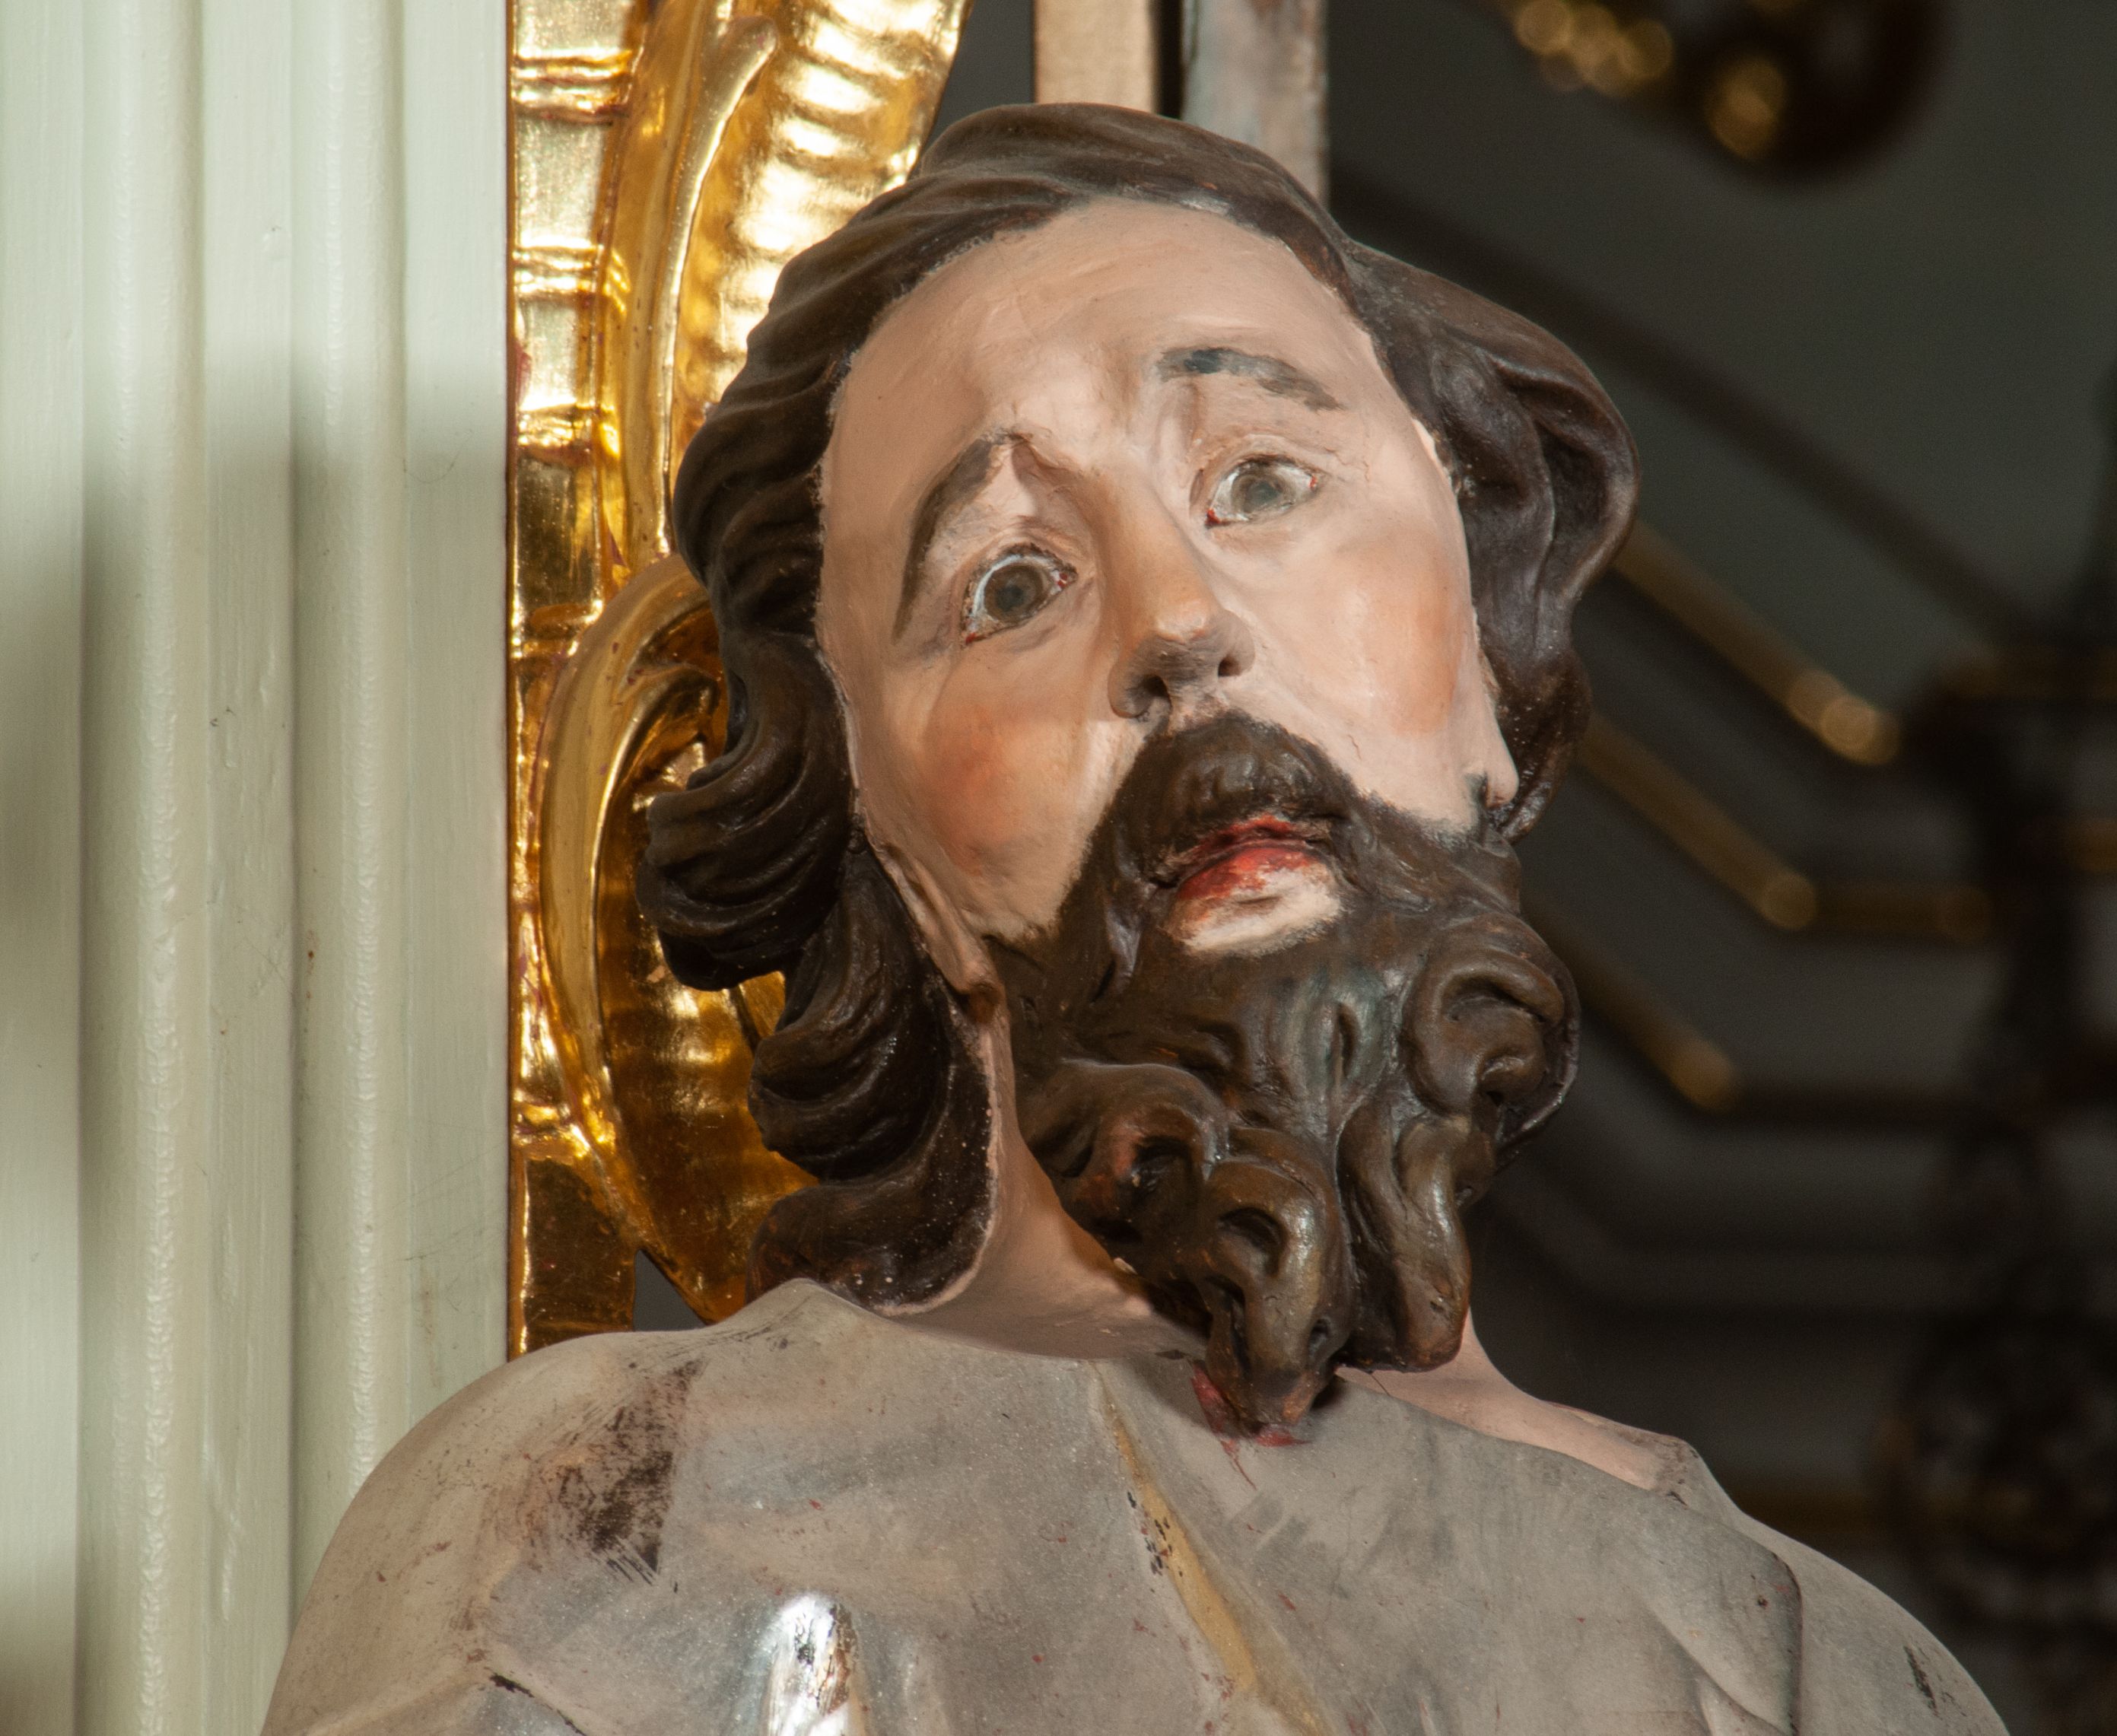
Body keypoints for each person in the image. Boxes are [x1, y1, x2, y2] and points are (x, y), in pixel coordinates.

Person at [265, 104, 2004, 1734]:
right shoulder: (617, 1547)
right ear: (882, 843)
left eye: (1262, 480)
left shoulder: (1808, 1669)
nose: (1178, 623)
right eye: (1010, 584)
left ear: (1486, 656)